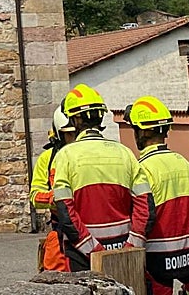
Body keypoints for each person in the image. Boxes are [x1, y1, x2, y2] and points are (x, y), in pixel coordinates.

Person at [50, 84, 148, 271]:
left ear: (74, 119)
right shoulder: (125, 152)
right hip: (123, 248)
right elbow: (145, 206)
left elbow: (65, 211)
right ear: (100, 116)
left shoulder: (65, 156)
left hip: (82, 253)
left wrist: (93, 249)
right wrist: (132, 245)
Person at [124, 96, 189, 295]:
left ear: (143, 131)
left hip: (157, 259)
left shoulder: (141, 169)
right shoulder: (185, 163)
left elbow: (143, 217)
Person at [30, 104, 79, 271]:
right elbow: (35, 195)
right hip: (61, 231)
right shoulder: (47, 159)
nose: (74, 138)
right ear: (59, 134)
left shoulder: (89, 154)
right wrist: (58, 199)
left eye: (76, 133)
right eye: (69, 134)